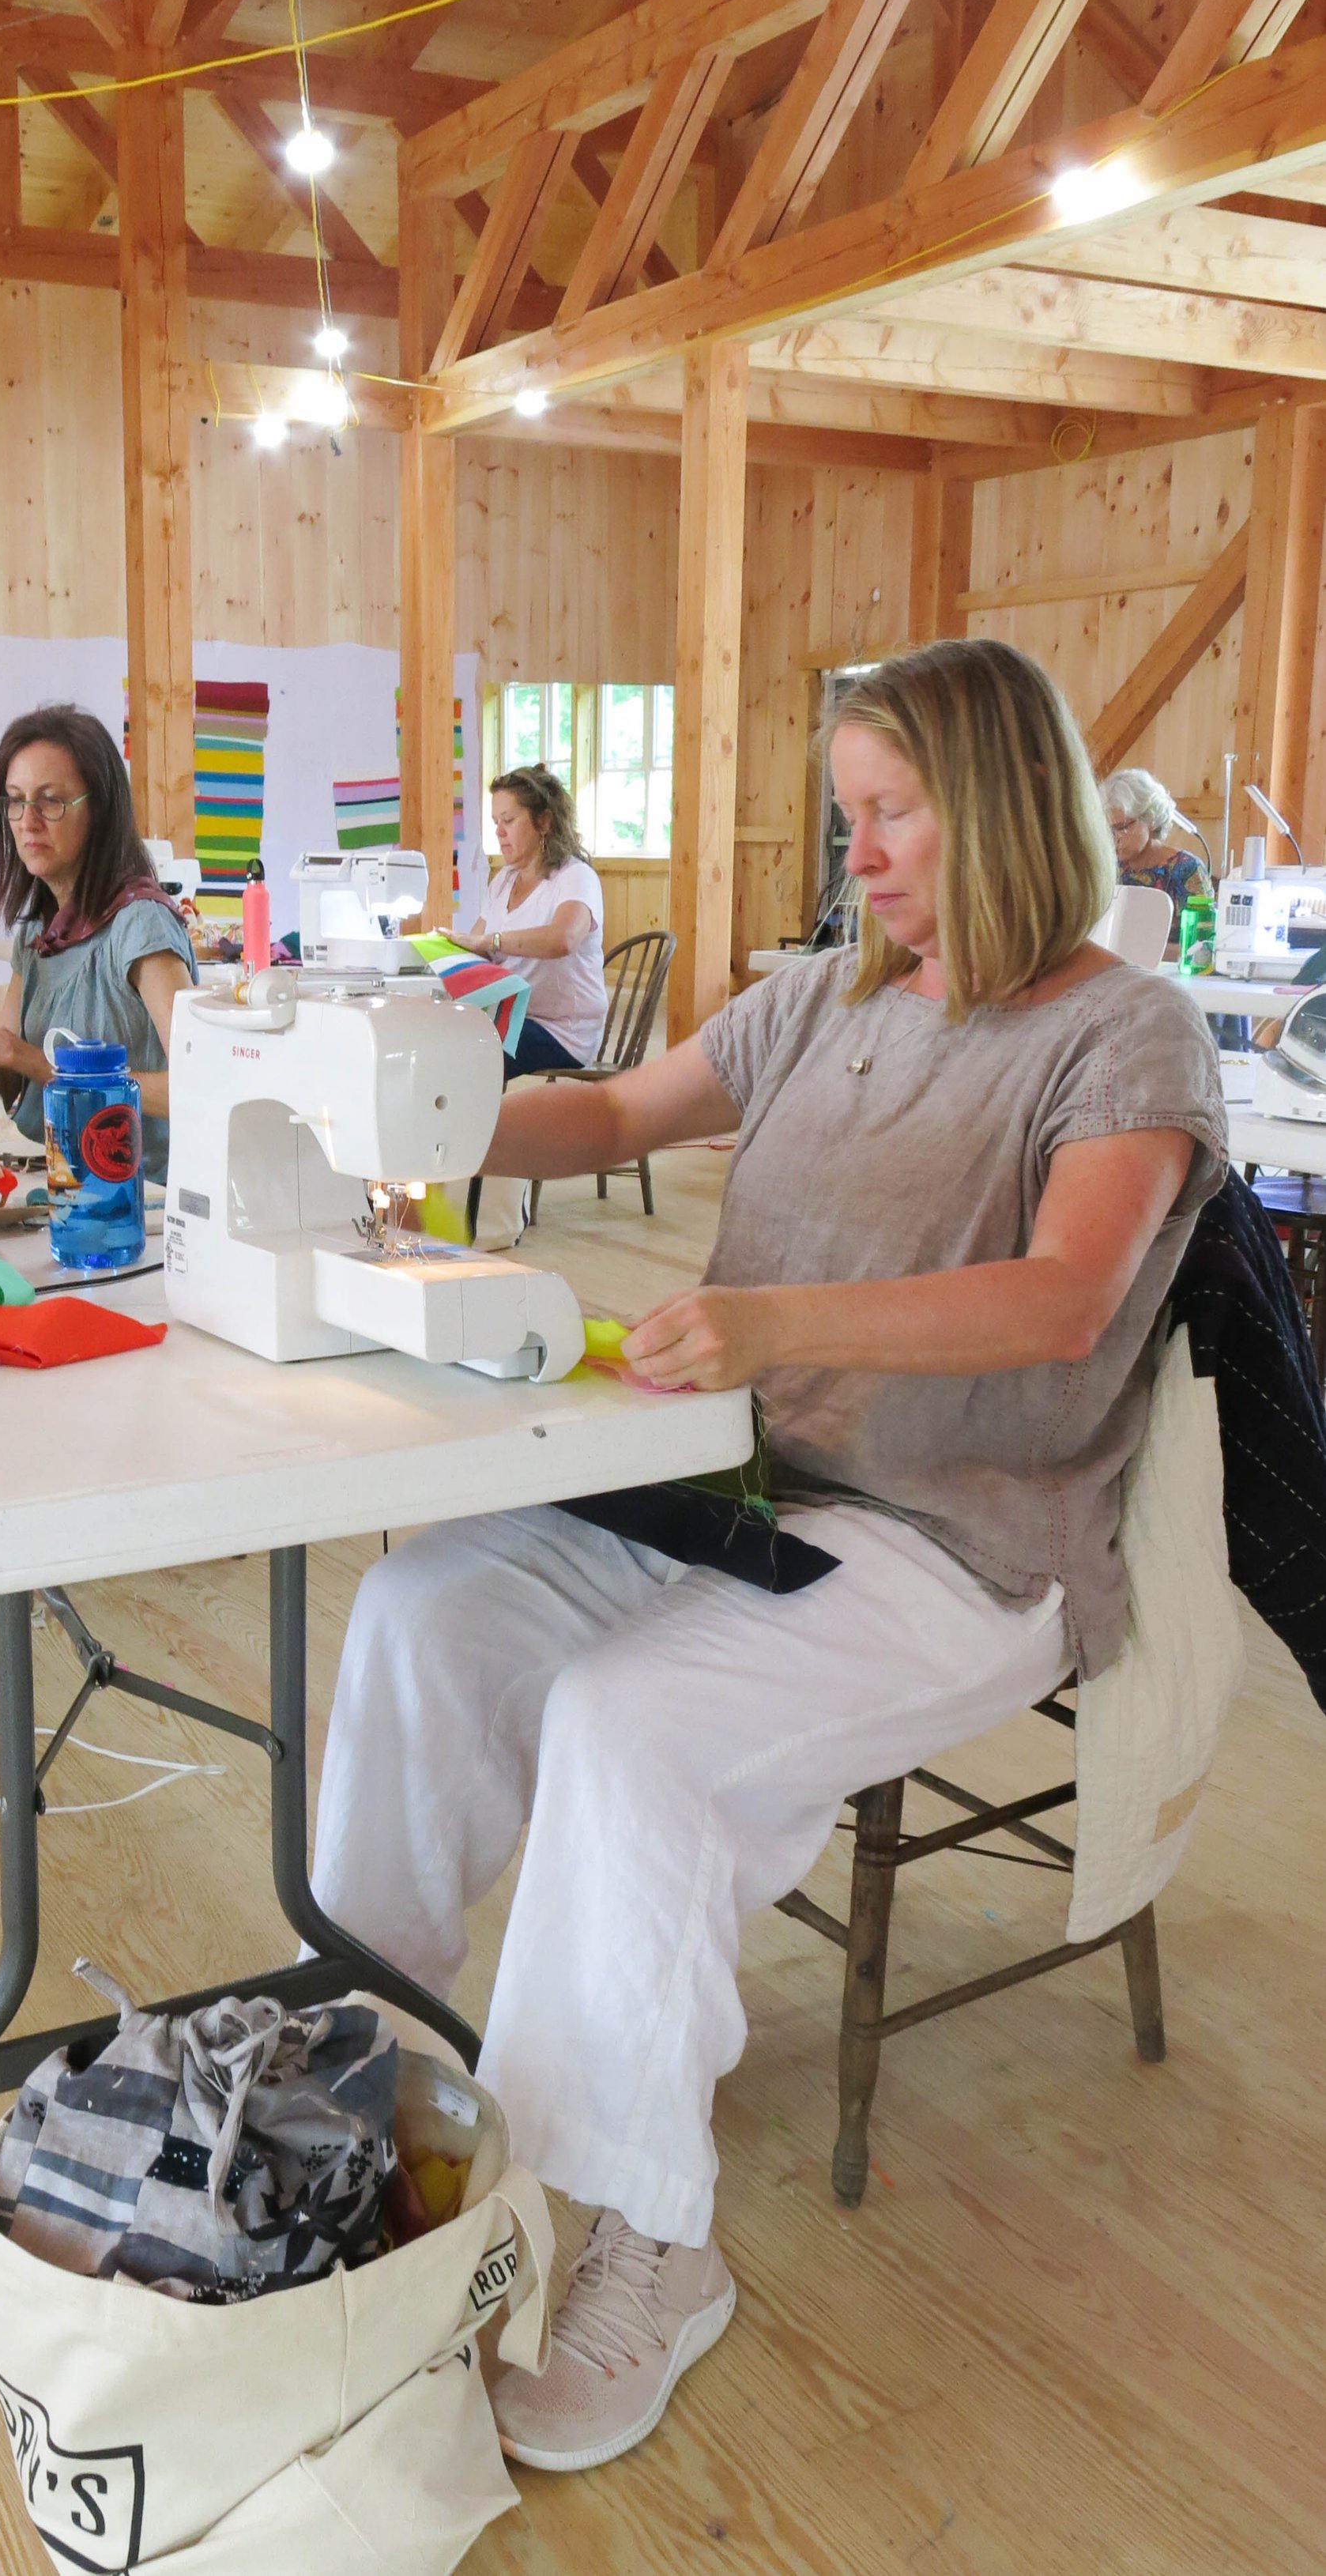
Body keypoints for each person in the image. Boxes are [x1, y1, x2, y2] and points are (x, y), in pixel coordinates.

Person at [311, 639, 1226, 2477]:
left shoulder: (1124, 1029)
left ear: (1009, 804)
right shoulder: (819, 1000)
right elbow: (611, 1116)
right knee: (419, 1609)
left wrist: (771, 1315)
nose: (862, 856)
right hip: (733, 1487)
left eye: (894, 815)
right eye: (851, 820)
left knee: (632, 1729)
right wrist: (391, 1111)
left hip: (957, 1543)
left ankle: (654, 2238)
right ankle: (367, 2075)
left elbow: (1061, 1300)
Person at [0, 705, 195, 1181]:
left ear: (100, 809)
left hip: (125, 1195)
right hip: (45, 1176)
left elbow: (197, 1087)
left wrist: (49, 1068)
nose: (27, 821)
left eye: (50, 802)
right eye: (15, 801)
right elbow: (10, 1082)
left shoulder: (141, 927)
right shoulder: (38, 932)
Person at [467, 764, 608, 1072]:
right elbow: (475, 948)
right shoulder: (504, 880)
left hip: (562, 1031)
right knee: (437, 1037)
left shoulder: (575, 877)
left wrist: (491, 941)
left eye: (509, 820)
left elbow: (563, 939)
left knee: (467, 1054)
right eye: (495, 822)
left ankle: (481, 1121)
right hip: (513, 1016)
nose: (499, 832)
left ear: (543, 821)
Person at [1102, 767, 1211, 924]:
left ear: (1150, 819)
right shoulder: (1109, 869)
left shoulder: (1187, 869)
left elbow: (1200, 941)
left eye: (1122, 828)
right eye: (1107, 830)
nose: (1114, 839)